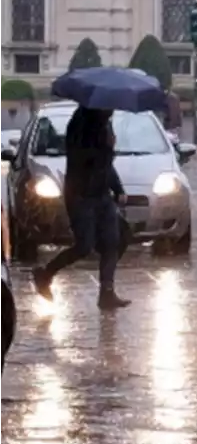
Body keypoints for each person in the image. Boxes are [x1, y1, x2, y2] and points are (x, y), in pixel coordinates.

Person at [33, 107, 130, 310]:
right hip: (81, 195)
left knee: (113, 241)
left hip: (102, 195)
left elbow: (106, 165)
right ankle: (45, 274)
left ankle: (107, 292)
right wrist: (104, 148)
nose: (112, 110)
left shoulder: (104, 123)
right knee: (84, 246)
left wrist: (118, 188)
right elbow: (82, 159)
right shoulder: (79, 123)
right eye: (109, 106)